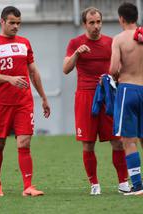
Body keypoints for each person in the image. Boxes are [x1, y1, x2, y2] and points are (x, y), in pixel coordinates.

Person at [0, 6, 50, 197]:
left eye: (18, 23)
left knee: (24, 142)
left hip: (23, 102)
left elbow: (33, 72)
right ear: (2, 22)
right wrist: (10, 79)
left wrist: (43, 97)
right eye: (12, 22)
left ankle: (28, 186)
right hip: (1, 102)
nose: (16, 26)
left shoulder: (24, 43)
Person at [63, 7, 129, 195]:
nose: (96, 26)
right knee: (88, 143)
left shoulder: (111, 42)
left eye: (98, 22)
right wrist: (77, 53)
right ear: (85, 24)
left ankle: (123, 183)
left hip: (108, 96)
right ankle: (94, 184)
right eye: (92, 23)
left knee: (117, 142)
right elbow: (65, 69)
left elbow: (120, 69)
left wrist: (112, 79)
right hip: (85, 96)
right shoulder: (75, 43)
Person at [110, 2, 143, 196]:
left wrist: (116, 76)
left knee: (128, 140)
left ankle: (138, 185)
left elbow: (113, 69)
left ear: (121, 18)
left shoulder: (119, 39)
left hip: (128, 90)